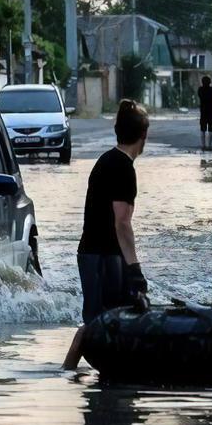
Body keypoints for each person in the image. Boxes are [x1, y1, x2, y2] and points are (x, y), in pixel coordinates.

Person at [62, 99, 151, 370]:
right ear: (143, 136)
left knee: (109, 317)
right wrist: (135, 269)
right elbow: (122, 223)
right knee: (98, 322)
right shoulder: (123, 168)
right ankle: (66, 371)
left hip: (97, 253)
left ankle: (95, 374)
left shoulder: (108, 160)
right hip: (101, 255)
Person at [197, 74, 212, 152]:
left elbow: (200, 97)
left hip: (203, 111)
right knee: (211, 129)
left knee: (202, 129)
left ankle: (203, 145)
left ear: (202, 82)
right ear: (210, 82)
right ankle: (209, 145)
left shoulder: (200, 90)